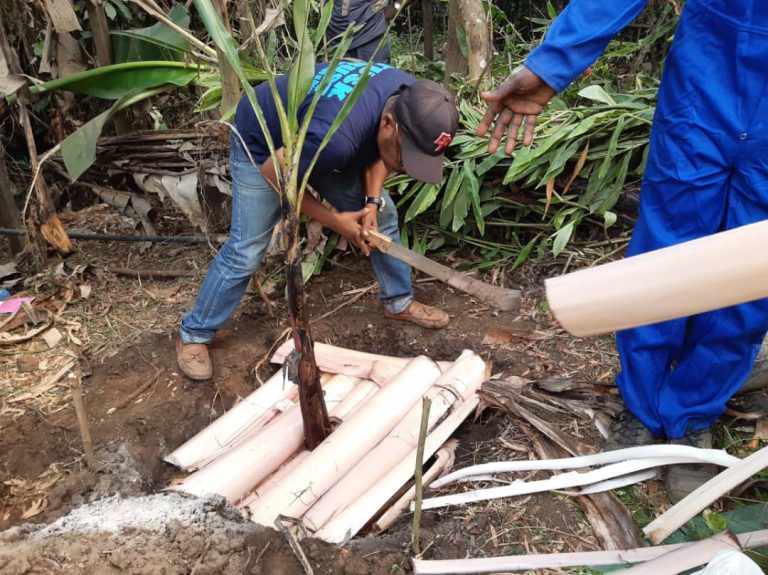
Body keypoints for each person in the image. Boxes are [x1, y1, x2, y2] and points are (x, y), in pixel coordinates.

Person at [477, 0, 768, 502]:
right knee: (663, 256)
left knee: (751, 272)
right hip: (709, 69)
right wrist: (552, 63)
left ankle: (692, 415)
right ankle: (642, 402)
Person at [177, 60, 459, 382]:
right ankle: (194, 334)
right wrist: (335, 220)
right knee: (246, 249)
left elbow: (381, 155)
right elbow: (276, 173)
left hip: (314, 140)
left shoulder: (411, 98)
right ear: (388, 122)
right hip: (263, 142)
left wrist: (372, 203)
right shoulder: (337, 140)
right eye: (406, 157)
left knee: (384, 216)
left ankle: (398, 302)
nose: (407, 168)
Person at [326, 0, 395, 64]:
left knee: (374, 73)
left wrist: (396, 6)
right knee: (343, 74)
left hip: (371, 31)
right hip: (337, 34)